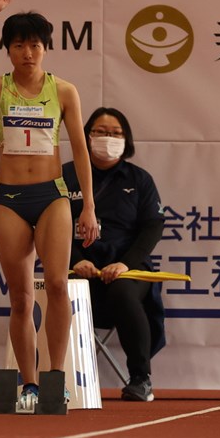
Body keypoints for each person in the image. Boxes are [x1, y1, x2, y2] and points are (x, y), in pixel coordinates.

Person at [0, 0, 99, 413]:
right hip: (10, 199)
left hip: (53, 195)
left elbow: (79, 149)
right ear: (8, 50)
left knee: (57, 284)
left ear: (45, 49)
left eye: (35, 45)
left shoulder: (64, 91)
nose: (28, 52)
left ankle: (56, 376)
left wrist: (88, 207)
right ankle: (30, 384)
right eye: (18, 45)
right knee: (19, 297)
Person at [63, 107, 166, 402]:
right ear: (86, 136)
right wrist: (74, 261)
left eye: (115, 133)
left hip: (128, 270)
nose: (108, 138)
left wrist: (124, 264)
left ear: (126, 139)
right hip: (78, 268)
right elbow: (48, 225)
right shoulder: (66, 176)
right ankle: (56, 376)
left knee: (122, 291)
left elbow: (152, 227)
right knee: (56, 289)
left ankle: (140, 379)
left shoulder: (140, 179)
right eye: (100, 132)